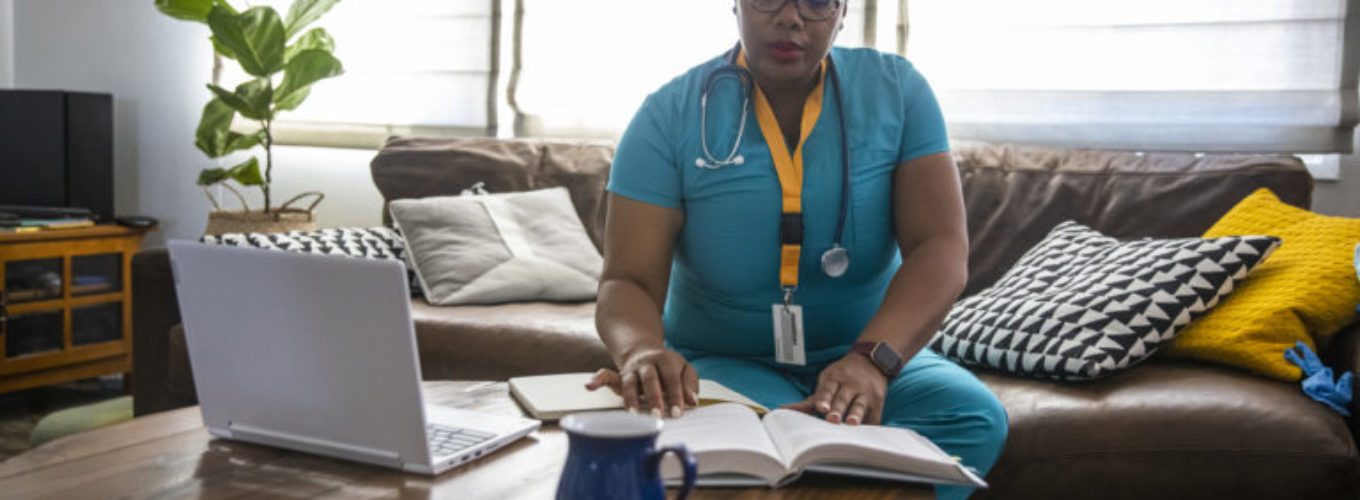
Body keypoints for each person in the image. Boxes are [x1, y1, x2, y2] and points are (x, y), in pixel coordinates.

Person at [587, 1, 1008, 498]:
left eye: (816, 2)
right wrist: (641, 351)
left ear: (843, 11)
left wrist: (872, 362)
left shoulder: (897, 90)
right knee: (754, 441)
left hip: (873, 350)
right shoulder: (667, 114)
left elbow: (940, 248)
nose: (791, 18)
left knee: (972, 416)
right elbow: (627, 279)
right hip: (726, 360)